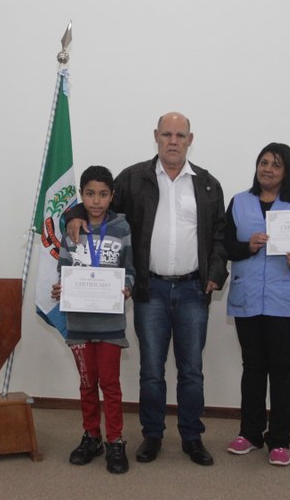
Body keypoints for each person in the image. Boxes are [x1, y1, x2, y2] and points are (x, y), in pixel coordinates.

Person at [62, 112, 228, 466]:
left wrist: (216, 271)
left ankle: (192, 437)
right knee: (151, 370)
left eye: (180, 135)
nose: (173, 141)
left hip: (193, 290)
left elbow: (219, 234)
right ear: (156, 136)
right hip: (150, 290)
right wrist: (72, 214)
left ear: (190, 139)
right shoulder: (133, 178)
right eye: (166, 134)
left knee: (192, 370)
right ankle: (152, 435)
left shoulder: (207, 184)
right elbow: (98, 203)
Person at [223, 143, 290, 466]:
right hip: (248, 297)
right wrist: (247, 246)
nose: (267, 169)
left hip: (287, 300)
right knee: (252, 367)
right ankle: (250, 433)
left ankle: (279, 439)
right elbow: (224, 245)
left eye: (276, 165)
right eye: (263, 162)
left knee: (282, 370)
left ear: (287, 171)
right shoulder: (239, 201)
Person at [55, 165, 135, 474]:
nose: (96, 201)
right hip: (79, 324)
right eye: (90, 194)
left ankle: (115, 440)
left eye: (103, 194)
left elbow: (130, 269)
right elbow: (64, 270)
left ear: (112, 196)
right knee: (87, 384)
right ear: (81, 196)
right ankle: (92, 437)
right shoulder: (72, 229)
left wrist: (127, 287)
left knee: (110, 385)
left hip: (110, 325)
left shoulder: (121, 228)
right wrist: (60, 287)